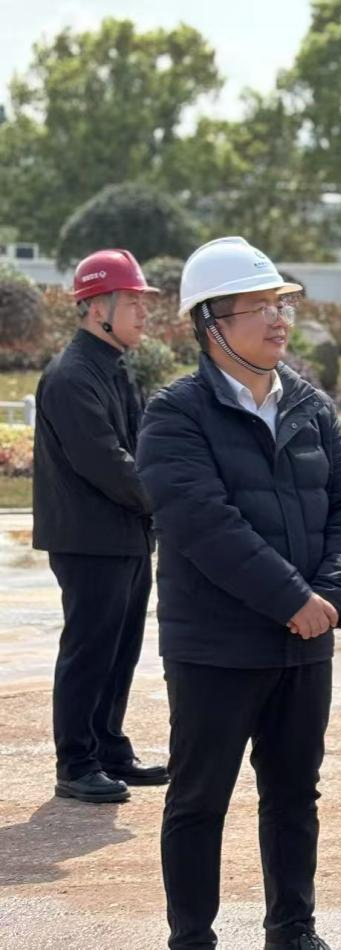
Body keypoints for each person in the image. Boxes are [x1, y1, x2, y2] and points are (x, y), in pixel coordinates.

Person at [137, 236, 341, 950]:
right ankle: (192, 938)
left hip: (306, 642)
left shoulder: (308, 404)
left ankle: (293, 930)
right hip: (216, 646)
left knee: (295, 794)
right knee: (199, 798)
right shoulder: (175, 413)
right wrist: (293, 599)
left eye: (282, 305)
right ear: (212, 323)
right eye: (260, 307)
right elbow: (205, 524)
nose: (279, 319)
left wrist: (332, 594)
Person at [32, 249, 167, 804]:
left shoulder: (115, 367)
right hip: (89, 539)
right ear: (96, 308)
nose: (143, 312)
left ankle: (109, 748)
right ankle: (77, 761)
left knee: (120, 650)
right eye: (132, 301)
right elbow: (107, 462)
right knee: (90, 650)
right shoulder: (71, 376)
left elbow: (142, 449)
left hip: (125, 536)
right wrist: (169, 501)